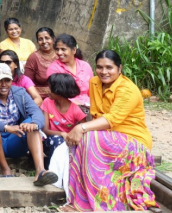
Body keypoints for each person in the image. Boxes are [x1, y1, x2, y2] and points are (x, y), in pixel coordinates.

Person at [61, 50, 157, 212]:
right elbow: (96, 114)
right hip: (108, 138)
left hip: (134, 143)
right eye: (99, 67)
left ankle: (99, 204)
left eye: (109, 68)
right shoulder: (94, 83)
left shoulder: (128, 90)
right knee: (84, 139)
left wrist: (81, 127)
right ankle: (82, 200)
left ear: (119, 68)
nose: (103, 72)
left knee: (89, 137)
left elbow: (112, 119)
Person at [0, 63, 57, 185]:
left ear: (12, 80)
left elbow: (36, 112)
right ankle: (5, 169)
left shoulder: (20, 93)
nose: (4, 84)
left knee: (31, 124)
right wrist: (5, 127)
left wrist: (34, 123)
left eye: (7, 80)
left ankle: (40, 171)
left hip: (15, 141)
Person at [46, 34, 93, 115]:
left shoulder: (85, 66)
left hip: (89, 106)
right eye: (57, 49)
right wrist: (77, 105)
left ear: (74, 50)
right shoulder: (53, 69)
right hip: (67, 108)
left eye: (63, 49)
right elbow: (56, 95)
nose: (59, 53)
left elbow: (92, 90)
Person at [23, 27, 57, 99]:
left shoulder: (60, 55)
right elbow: (27, 83)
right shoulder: (33, 58)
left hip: (61, 98)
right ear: (38, 42)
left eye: (47, 38)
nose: (44, 41)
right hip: (40, 98)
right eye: (40, 39)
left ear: (53, 39)